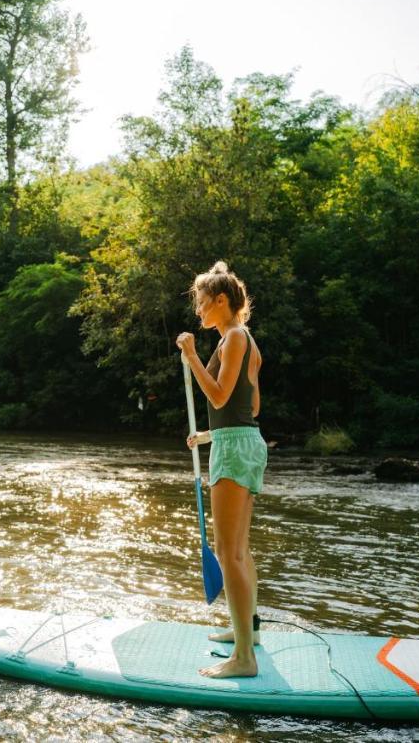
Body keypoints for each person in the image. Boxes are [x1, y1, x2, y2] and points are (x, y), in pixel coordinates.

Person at [174, 260, 267, 678]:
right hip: (245, 445)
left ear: (222, 300)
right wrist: (210, 437)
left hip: (234, 452)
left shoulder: (231, 339)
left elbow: (218, 396)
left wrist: (192, 357)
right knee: (240, 550)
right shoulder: (247, 341)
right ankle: (247, 632)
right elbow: (250, 409)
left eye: (203, 303)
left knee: (228, 553)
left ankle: (244, 658)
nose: (199, 312)